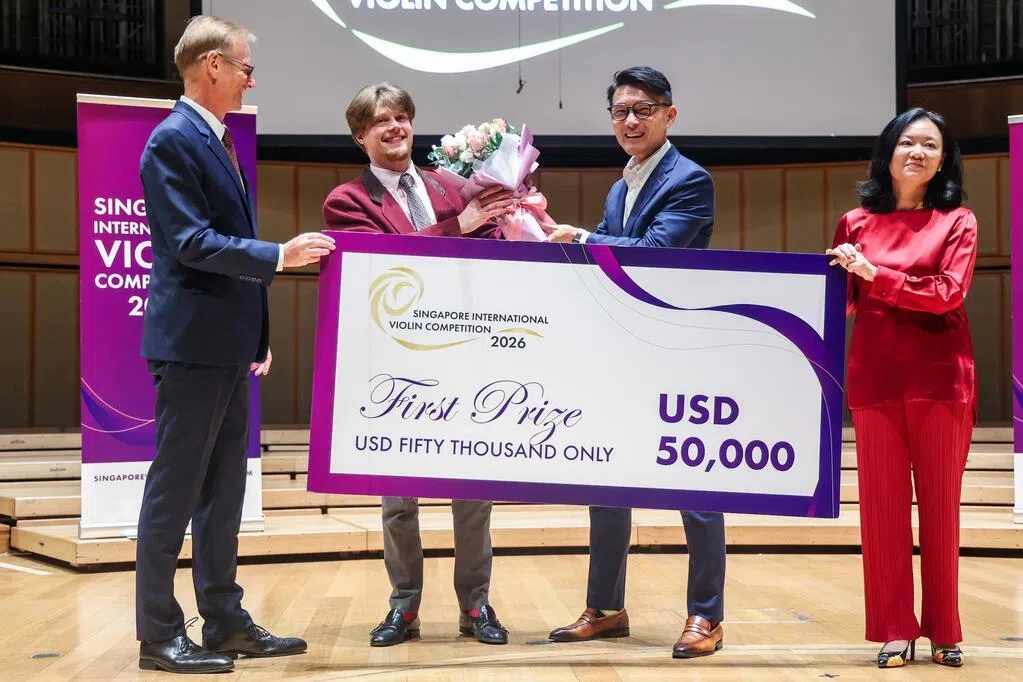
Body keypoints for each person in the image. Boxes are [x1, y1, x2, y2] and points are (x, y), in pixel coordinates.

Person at [136, 16, 336, 674]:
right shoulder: (173, 140)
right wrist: (280, 254)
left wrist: (258, 336)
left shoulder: (217, 139)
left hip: (224, 344)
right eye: (246, 67)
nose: (252, 80)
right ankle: (159, 634)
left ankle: (223, 622)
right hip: (193, 346)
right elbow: (191, 243)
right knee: (174, 493)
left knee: (224, 495)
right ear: (213, 66)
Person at [321, 83, 515, 646]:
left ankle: (476, 606)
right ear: (360, 136)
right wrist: (461, 226)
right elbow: (383, 266)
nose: (395, 127)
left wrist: (513, 214)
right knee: (398, 499)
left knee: (473, 491)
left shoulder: (450, 186)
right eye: (381, 121)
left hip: (464, 356)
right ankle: (404, 607)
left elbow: (490, 244)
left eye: (402, 117)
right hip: (393, 367)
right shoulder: (346, 201)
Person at [545, 66, 725, 659]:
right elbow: (606, 253)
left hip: (677, 349)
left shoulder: (689, 178)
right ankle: (605, 607)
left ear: (670, 115)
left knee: (695, 485)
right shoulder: (620, 187)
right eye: (620, 111)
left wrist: (582, 239)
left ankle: (706, 615)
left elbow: (655, 253)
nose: (630, 120)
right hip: (622, 350)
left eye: (643, 110)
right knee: (607, 477)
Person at [826, 108, 976, 669]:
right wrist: (837, 273)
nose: (918, 152)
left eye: (930, 145)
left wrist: (875, 275)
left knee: (941, 511)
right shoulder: (854, 221)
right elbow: (840, 303)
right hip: (875, 378)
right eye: (908, 142)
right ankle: (894, 628)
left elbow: (947, 293)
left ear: (943, 160)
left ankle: (944, 629)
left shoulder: (958, 220)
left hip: (941, 379)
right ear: (888, 152)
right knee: (882, 512)